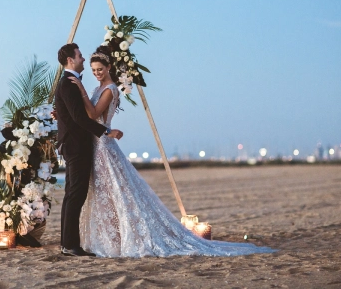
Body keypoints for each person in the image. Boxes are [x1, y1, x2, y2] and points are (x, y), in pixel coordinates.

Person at [68, 46, 276, 257]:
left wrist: (81, 91)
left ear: (109, 67)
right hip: (95, 145)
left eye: (100, 69)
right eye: (93, 70)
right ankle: (108, 237)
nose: (96, 73)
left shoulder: (109, 89)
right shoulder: (97, 89)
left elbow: (93, 113)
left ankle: (120, 239)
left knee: (114, 194)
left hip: (104, 147)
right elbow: (84, 115)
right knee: (103, 195)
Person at [54, 43, 124, 257]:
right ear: (70, 60)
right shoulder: (69, 83)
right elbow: (79, 117)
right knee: (76, 194)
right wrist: (105, 132)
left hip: (75, 144)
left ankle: (67, 243)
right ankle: (70, 245)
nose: (83, 59)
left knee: (71, 194)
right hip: (77, 146)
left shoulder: (70, 82)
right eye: (80, 56)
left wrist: (62, 116)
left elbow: (71, 112)